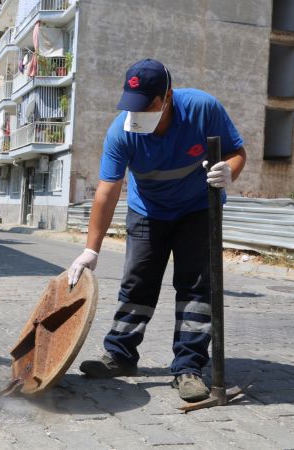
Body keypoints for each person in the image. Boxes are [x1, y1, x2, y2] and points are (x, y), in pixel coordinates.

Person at [68, 59, 246, 402]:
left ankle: (188, 367)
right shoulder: (122, 131)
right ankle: (120, 355)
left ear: (168, 96)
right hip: (147, 211)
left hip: (198, 209)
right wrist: (92, 249)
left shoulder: (203, 108)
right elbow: (107, 191)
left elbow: (237, 151)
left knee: (196, 288)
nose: (139, 114)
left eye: (148, 105)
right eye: (133, 106)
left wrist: (230, 172)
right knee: (138, 282)